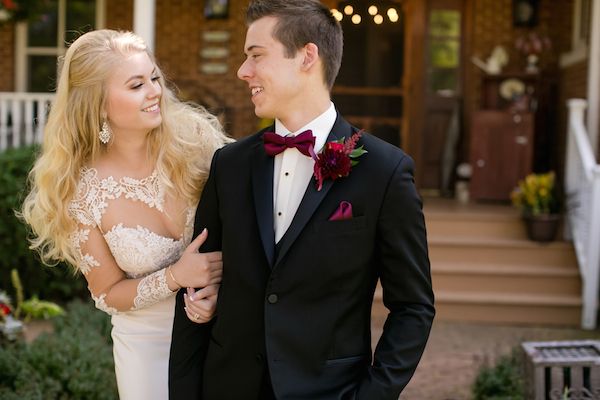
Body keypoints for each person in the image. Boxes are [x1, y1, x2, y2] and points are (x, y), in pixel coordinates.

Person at [169, 0, 435, 398]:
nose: (243, 72)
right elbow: (196, 284)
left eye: (256, 56)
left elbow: (413, 307)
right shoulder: (229, 165)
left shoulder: (385, 172)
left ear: (307, 56)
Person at [20, 29, 231, 400]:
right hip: (147, 348)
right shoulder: (80, 193)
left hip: (225, 331)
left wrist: (216, 285)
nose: (155, 92)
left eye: (154, 78)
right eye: (136, 85)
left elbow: (246, 223)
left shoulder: (198, 143)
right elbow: (107, 293)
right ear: (98, 104)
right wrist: (175, 277)